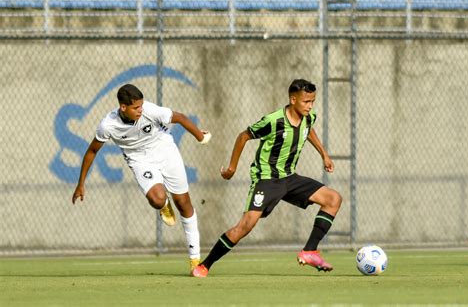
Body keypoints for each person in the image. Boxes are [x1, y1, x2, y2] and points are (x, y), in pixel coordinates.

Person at [192, 79, 342, 278]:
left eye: (312, 101)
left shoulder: (308, 117)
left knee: (333, 199)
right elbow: (243, 136)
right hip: (267, 180)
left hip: (290, 177)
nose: (310, 106)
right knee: (245, 226)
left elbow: (309, 130)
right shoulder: (273, 121)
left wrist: (323, 154)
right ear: (293, 99)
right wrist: (231, 168)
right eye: (306, 101)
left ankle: (309, 251)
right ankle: (204, 265)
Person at [72, 83, 211, 272]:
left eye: (141, 106)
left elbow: (179, 117)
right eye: (136, 107)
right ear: (123, 107)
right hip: (139, 159)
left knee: (184, 203)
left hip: (165, 150)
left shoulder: (150, 110)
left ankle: (195, 260)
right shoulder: (108, 125)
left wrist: (199, 137)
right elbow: (91, 152)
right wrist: (81, 183)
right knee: (157, 199)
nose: (140, 110)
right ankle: (163, 206)